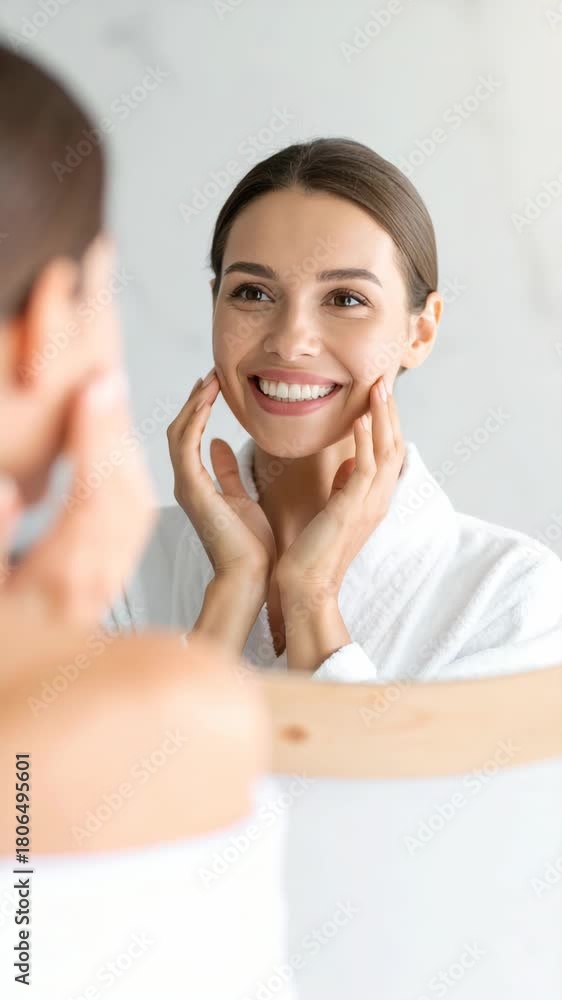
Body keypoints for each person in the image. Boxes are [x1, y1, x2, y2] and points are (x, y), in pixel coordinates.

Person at [0, 46, 291, 1000]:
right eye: (251, 291)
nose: (293, 340)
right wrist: (44, 647)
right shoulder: (169, 721)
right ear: (51, 318)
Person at [128, 138, 562, 681]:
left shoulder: (517, 600)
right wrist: (233, 593)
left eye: (346, 299)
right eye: (253, 293)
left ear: (421, 332)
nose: (290, 342)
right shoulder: (116, 567)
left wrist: (311, 596)